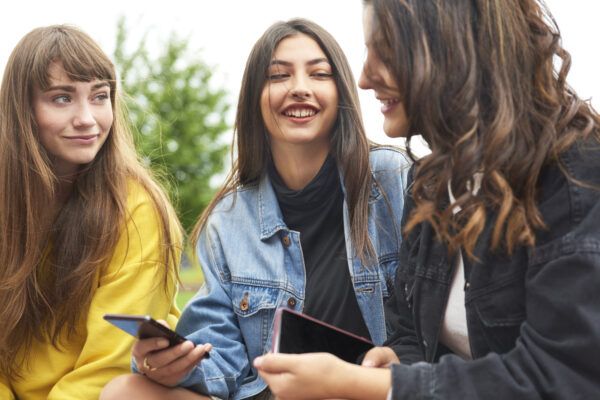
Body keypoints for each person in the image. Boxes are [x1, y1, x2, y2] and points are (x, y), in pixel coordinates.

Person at [253, 0, 600, 399]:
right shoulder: (431, 182)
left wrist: (377, 386)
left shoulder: (575, 175)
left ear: (449, 46)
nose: (364, 78)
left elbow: (568, 376)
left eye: (385, 52)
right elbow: (409, 330)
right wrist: (396, 362)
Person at [100, 18, 410, 400]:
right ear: (255, 97)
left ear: (341, 89)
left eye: (319, 74)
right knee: (125, 391)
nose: (299, 89)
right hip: (271, 395)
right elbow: (222, 355)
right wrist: (174, 365)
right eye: (278, 76)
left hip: (364, 391)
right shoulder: (229, 219)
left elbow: (424, 331)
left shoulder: (393, 180)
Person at [0, 25, 182, 400]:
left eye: (100, 96)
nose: (87, 118)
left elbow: (109, 367)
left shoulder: (136, 209)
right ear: (22, 109)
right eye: (62, 98)